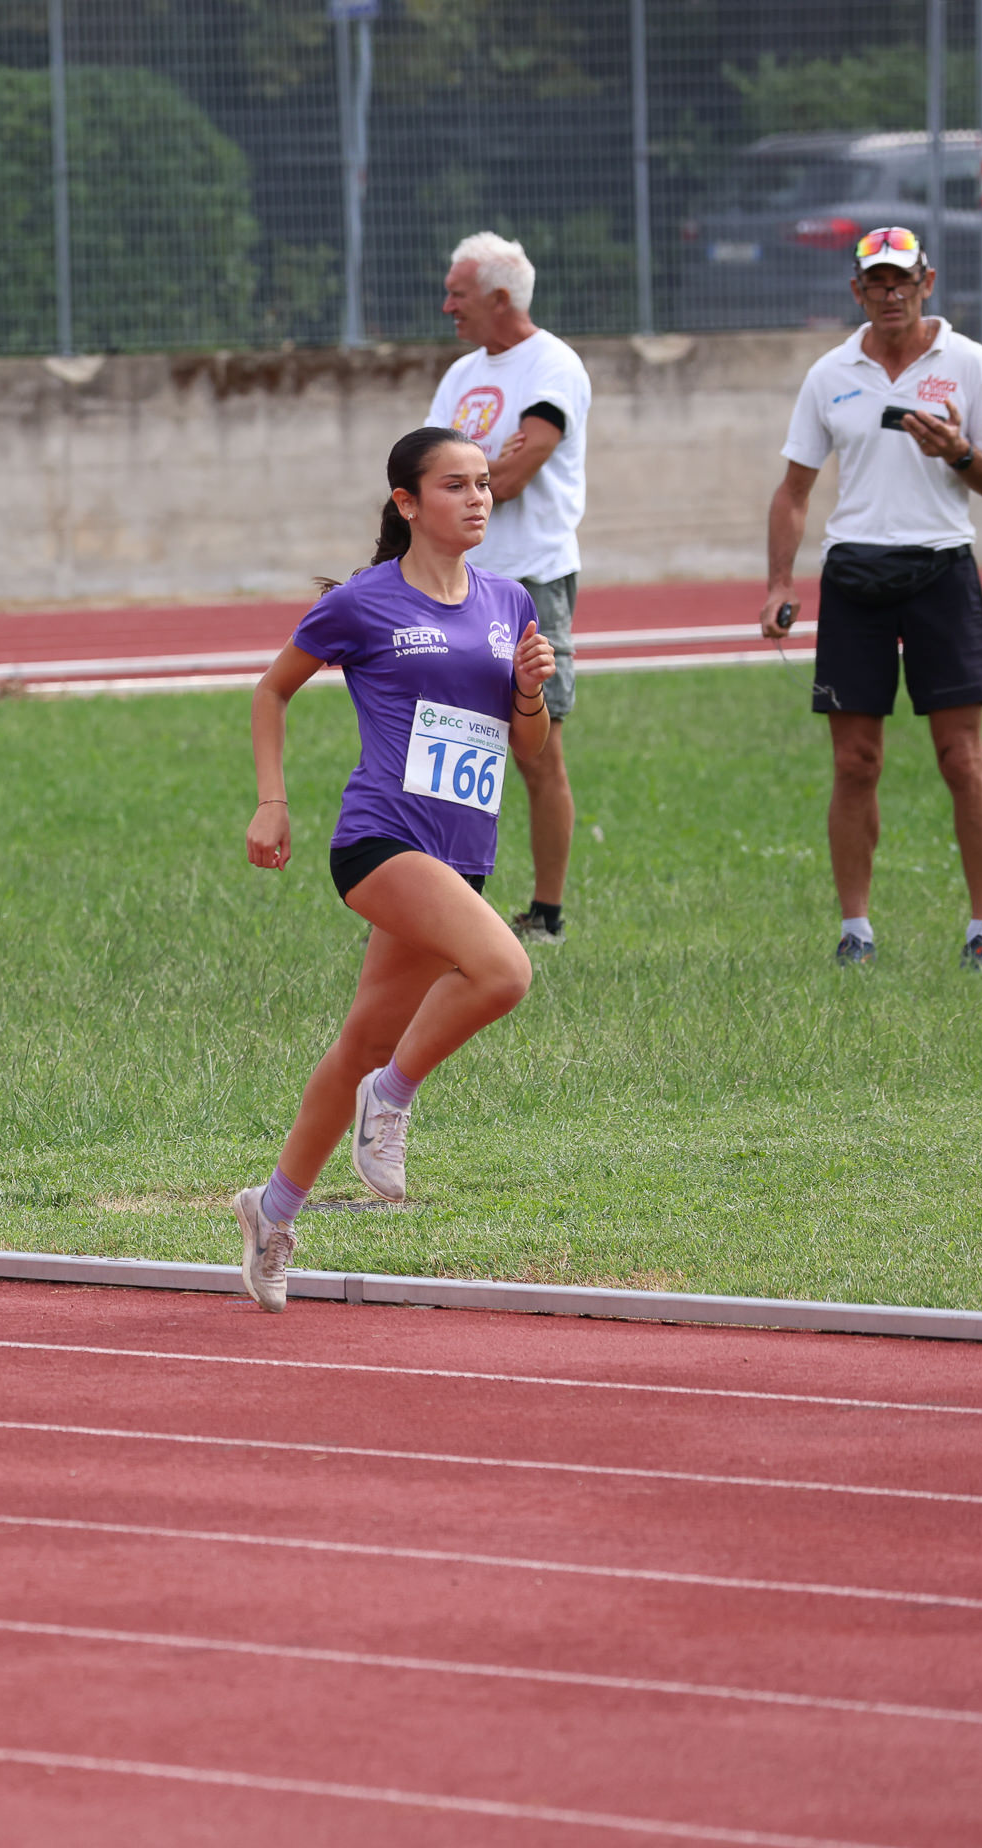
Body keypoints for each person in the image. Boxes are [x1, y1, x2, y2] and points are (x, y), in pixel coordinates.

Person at [235, 428, 556, 1314]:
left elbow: (529, 747)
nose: (478, 497)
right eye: (456, 485)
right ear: (407, 503)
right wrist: (272, 800)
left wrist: (530, 689)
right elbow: (272, 690)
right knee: (504, 971)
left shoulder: (509, 601)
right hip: (380, 841)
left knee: (363, 1042)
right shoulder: (365, 604)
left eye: (484, 483)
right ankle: (395, 1095)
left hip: (463, 854)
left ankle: (272, 1212)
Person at [758, 225, 982, 968]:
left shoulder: (970, 364)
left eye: (902, 281)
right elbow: (794, 491)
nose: (891, 295)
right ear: (857, 291)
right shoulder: (831, 372)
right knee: (856, 761)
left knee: (962, 759)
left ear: (927, 283)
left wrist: (958, 451)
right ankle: (856, 931)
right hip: (855, 573)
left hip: (942, 567)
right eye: (876, 283)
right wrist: (780, 582)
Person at [427, 231, 591, 945]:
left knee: (535, 749)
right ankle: (443, 906)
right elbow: (425, 475)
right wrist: (484, 466)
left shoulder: (553, 366)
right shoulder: (460, 375)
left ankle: (545, 915)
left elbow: (517, 478)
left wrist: (468, 474)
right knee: (446, 744)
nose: (447, 307)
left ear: (499, 298)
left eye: (457, 294)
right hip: (456, 580)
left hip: (529, 581)